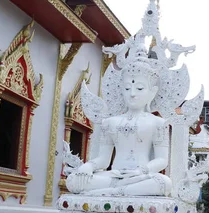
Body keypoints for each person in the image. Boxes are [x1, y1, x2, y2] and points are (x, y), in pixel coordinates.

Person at [65, 45, 172, 197]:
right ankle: (118, 190)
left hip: (140, 176)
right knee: (73, 180)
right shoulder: (110, 122)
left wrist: (140, 171)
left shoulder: (158, 123)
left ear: (152, 92)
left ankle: (112, 192)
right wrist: (88, 166)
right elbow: (103, 160)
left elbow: (162, 160)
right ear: (121, 90)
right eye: (127, 88)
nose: (132, 94)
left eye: (140, 88)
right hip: (113, 176)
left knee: (163, 183)